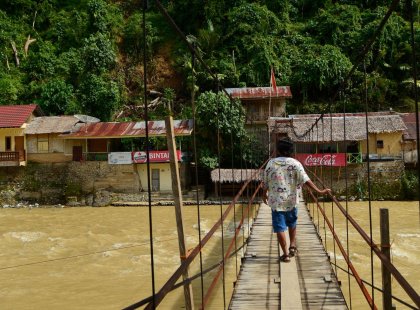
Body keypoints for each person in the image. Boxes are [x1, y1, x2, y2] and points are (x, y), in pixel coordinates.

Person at [262, 138, 331, 262]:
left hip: (276, 203)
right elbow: (306, 180)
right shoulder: (295, 163)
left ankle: (286, 254)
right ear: (291, 151)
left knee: (280, 228)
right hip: (292, 201)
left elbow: (265, 181)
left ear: (277, 150)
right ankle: (292, 246)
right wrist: (320, 191)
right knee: (292, 223)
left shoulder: (271, 163)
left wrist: (263, 194)